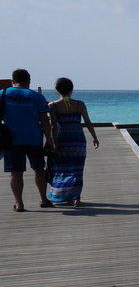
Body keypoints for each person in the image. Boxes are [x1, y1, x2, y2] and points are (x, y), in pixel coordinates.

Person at [2, 69, 56, 212]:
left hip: (11, 139)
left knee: (16, 172)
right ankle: (44, 199)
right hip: (34, 138)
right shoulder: (36, 97)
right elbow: (45, 120)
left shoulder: (3, 94)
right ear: (28, 81)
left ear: (13, 80)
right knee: (39, 169)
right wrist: (49, 139)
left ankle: (19, 203)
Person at [46, 77, 99, 207]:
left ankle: (61, 195)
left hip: (62, 139)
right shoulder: (80, 104)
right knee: (77, 170)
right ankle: (76, 198)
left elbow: (53, 126)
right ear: (72, 89)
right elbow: (87, 122)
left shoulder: (52, 105)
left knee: (61, 169)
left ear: (57, 90)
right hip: (78, 140)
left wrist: (53, 142)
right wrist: (94, 137)